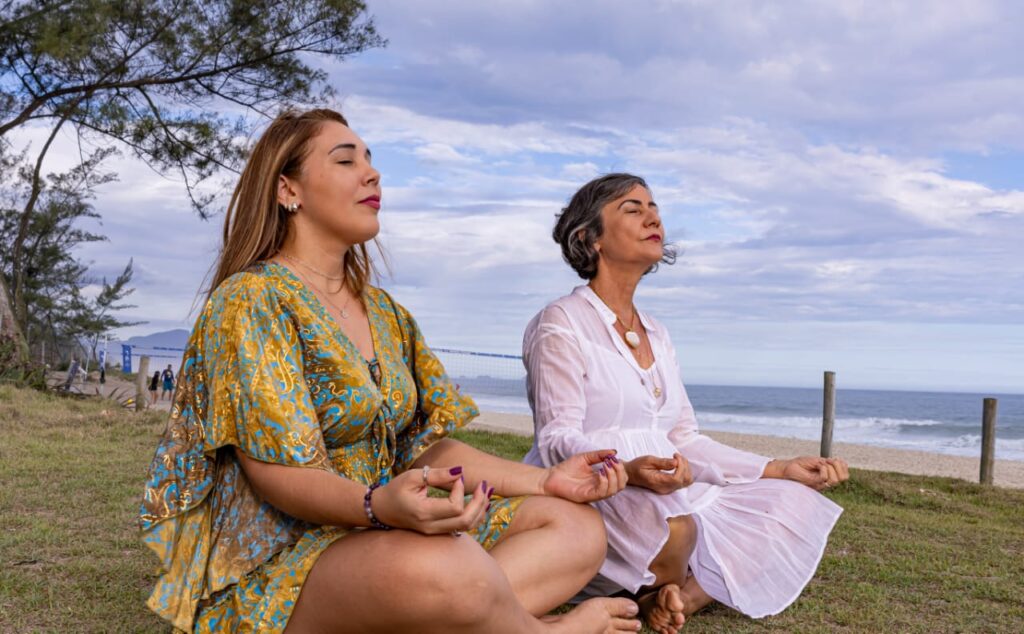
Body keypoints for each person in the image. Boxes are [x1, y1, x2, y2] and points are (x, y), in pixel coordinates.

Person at [139, 109, 642, 634]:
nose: (372, 173)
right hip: (294, 552)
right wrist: (377, 506)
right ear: (289, 189)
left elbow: (422, 448)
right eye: (346, 161)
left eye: (370, 159)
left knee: (576, 527)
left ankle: (472, 616)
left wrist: (547, 480)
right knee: (452, 566)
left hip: (388, 535)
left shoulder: (386, 313)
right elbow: (275, 474)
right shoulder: (251, 299)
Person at [523, 173, 849, 633]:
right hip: (600, 487)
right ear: (590, 237)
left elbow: (683, 437)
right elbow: (557, 438)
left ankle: (679, 598)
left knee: (790, 501)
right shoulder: (560, 322)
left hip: (669, 485)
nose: (653, 217)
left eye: (654, 207)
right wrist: (627, 471)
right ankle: (663, 585)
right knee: (677, 527)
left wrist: (779, 468)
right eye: (632, 209)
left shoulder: (657, 332)